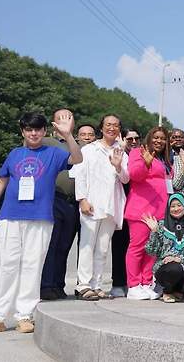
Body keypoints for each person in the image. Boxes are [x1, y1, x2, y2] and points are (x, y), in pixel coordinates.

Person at [0, 112, 82, 335]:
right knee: (7, 264)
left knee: (33, 266)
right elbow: (1, 180)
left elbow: (77, 159)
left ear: (44, 132)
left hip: (41, 217)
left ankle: (25, 315)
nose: (33, 133)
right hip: (9, 216)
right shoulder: (15, 154)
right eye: (28, 129)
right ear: (23, 132)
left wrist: (69, 135)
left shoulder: (54, 153)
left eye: (37, 129)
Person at [74, 114, 129, 300]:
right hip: (92, 203)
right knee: (87, 245)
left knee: (103, 248)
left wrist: (118, 166)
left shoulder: (122, 152)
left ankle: (96, 285)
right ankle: (83, 285)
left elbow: (126, 179)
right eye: (108, 125)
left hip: (111, 205)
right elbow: (80, 175)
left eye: (115, 125)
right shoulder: (90, 149)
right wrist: (82, 199)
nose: (112, 128)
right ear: (102, 127)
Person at [124, 126, 173, 300]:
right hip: (141, 209)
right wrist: (145, 162)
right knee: (137, 247)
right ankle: (133, 285)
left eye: (163, 138)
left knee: (151, 249)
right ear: (149, 138)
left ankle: (146, 282)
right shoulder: (138, 152)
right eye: (156, 137)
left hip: (158, 210)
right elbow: (134, 175)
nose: (159, 141)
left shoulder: (165, 159)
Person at [40, 109, 82, 301]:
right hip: (53, 199)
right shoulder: (46, 142)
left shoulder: (78, 144)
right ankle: (46, 285)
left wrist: (69, 136)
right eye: (60, 118)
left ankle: (58, 284)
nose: (65, 121)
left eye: (69, 117)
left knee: (65, 246)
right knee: (51, 244)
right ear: (53, 123)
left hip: (73, 203)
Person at [143, 193, 184, 303]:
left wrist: (178, 259)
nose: (176, 209)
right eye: (172, 206)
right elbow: (150, 251)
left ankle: (177, 291)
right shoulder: (161, 225)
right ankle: (167, 290)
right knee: (174, 269)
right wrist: (154, 232)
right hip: (165, 268)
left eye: (179, 205)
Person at [110, 129, 139, 297]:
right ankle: (119, 282)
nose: (133, 141)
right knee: (119, 244)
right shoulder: (116, 153)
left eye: (136, 138)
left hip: (138, 207)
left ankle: (134, 281)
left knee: (136, 246)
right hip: (120, 205)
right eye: (130, 139)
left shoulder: (143, 155)